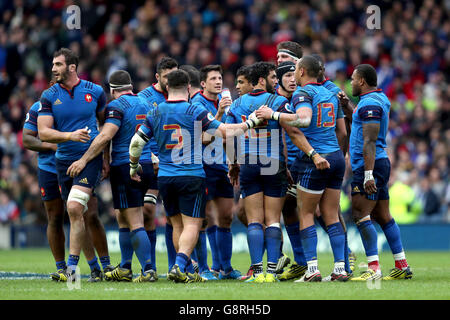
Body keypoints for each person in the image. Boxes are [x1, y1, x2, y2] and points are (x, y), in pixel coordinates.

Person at [128, 69, 263, 283]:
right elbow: (225, 132)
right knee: (193, 224)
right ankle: (181, 264)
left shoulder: (155, 111)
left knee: (176, 224)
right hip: (191, 175)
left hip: (164, 176)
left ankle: (186, 268)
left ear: (168, 87)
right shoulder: (194, 110)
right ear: (189, 88)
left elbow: (136, 143)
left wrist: (133, 167)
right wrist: (251, 123)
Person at [257, 56, 348, 282]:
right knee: (331, 215)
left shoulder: (303, 93)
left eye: (295, 69)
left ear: (303, 71)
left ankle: (312, 269)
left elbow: (304, 120)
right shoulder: (330, 93)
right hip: (336, 157)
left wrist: (274, 115)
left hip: (314, 159)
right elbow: (343, 132)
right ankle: (340, 268)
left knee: (306, 214)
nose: (293, 74)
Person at [66, 70, 159, 282]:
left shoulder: (116, 106)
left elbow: (106, 136)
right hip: (148, 164)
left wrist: (85, 160)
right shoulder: (148, 104)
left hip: (126, 165)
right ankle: (126, 268)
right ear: (131, 87)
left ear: (112, 90)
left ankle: (148, 269)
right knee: (123, 219)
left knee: (134, 220)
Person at [37, 48, 112, 281]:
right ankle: (96, 268)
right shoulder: (48, 96)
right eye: (53, 64)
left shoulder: (96, 91)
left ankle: (70, 272)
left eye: (58, 64)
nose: (53, 69)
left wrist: (105, 158)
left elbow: (106, 127)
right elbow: (43, 133)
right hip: (63, 162)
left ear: (72, 67)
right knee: (78, 214)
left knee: (75, 208)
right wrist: (69, 136)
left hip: (89, 158)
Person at [226, 61, 301, 283]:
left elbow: (229, 136)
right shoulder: (278, 102)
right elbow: (292, 130)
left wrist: (233, 163)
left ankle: (257, 272)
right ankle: (271, 272)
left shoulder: (238, 104)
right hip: (273, 163)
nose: (275, 81)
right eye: (272, 78)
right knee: (273, 220)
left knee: (255, 221)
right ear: (261, 80)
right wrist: (285, 165)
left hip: (248, 163)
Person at [338, 64, 413, 281]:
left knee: (361, 215)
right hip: (379, 163)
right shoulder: (377, 100)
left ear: (361, 81)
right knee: (382, 215)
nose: (350, 82)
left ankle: (374, 268)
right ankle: (402, 265)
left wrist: (368, 175)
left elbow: (369, 141)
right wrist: (348, 106)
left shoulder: (370, 104)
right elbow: (363, 122)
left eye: (353, 78)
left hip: (369, 165)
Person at [191, 65, 241, 280]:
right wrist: (220, 113)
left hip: (221, 166)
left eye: (220, 78)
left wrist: (232, 161)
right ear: (203, 83)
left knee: (226, 216)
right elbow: (200, 137)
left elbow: (227, 135)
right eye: (213, 78)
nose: (218, 82)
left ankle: (226, 268)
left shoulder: (225, 102)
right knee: (206, 218)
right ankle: (207, 268)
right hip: (203, 166)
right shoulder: (196, 104)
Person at [138, 57, 178, 274]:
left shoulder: (182, 95)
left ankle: (175, 265)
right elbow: (138, 130)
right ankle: (150, 266)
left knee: (175, 214)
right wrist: (151, 155)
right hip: (152, 164)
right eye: (166, 77)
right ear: (157, 77)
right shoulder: (144, 98)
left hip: (177, 165)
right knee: (147, 210)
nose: (171, 82)